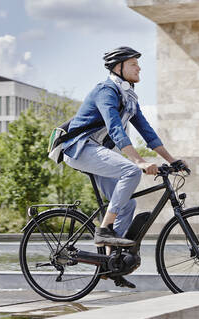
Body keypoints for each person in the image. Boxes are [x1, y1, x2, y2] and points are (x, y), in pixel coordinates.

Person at [61, 46, 188, 288]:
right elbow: (114, 128)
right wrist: (138, 161)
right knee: (130, 171)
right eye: (133, 64)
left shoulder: (129, 97)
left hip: (98, 150)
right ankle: (105, 229)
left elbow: (147, 131)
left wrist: (172, 160)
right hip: (79, 147)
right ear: (118, 68)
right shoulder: (106, 90)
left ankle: (110, 263)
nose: (139, 67)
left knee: (128, 204)